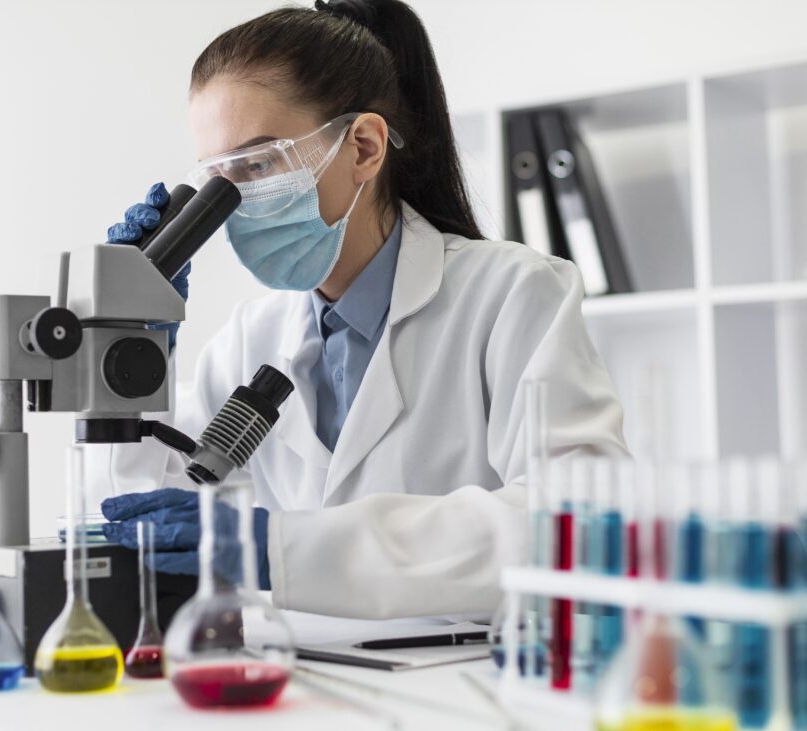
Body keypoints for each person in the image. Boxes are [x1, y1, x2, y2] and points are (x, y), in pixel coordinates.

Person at [97, 0, 627, 620]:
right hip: (300, 694)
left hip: (464, 694)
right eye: (217, 178)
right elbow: (143, 518)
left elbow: (583, 524)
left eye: (259, 164)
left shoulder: (512, 294)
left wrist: (285, 549)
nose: (233, 203)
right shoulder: (252, 336)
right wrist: (126, 355)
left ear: (365, 148)